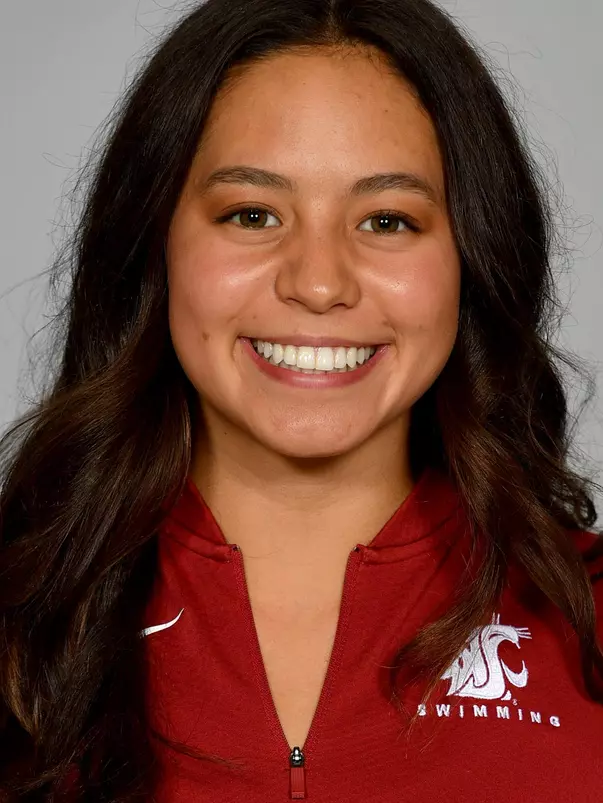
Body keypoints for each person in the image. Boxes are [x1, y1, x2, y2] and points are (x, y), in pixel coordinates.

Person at [0, 0, 602, 800]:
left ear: (470, 259)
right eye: (252, 214)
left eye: (387, 219)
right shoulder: (21, 611)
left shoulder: (587, 618)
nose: (318, 283)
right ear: (154, 245)